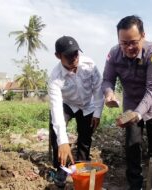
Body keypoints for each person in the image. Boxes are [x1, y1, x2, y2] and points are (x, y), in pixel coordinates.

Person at [102, 15, 152, 190]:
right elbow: (107, 79)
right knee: (132, 147)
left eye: (133, 42)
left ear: (143, 36)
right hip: (131, 104)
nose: (129, 48)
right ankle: (135, 185)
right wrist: (109, 94)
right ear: (118, 40)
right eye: (124, 43)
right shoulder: (114, 54)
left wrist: (138, 114)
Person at [48, 36, 104, 187]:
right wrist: (63, 141)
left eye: (76, 53)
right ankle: (61, 167)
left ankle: (81, 164)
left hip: (86, 105)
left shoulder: (89, 65)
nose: (74, 58)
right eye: (68, 55)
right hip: (66, 105)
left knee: (85, 137)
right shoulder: (55, 78)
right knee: (56, 134)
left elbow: (98, 88)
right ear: (58, 56)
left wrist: (97, 113)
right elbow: (56, 109)